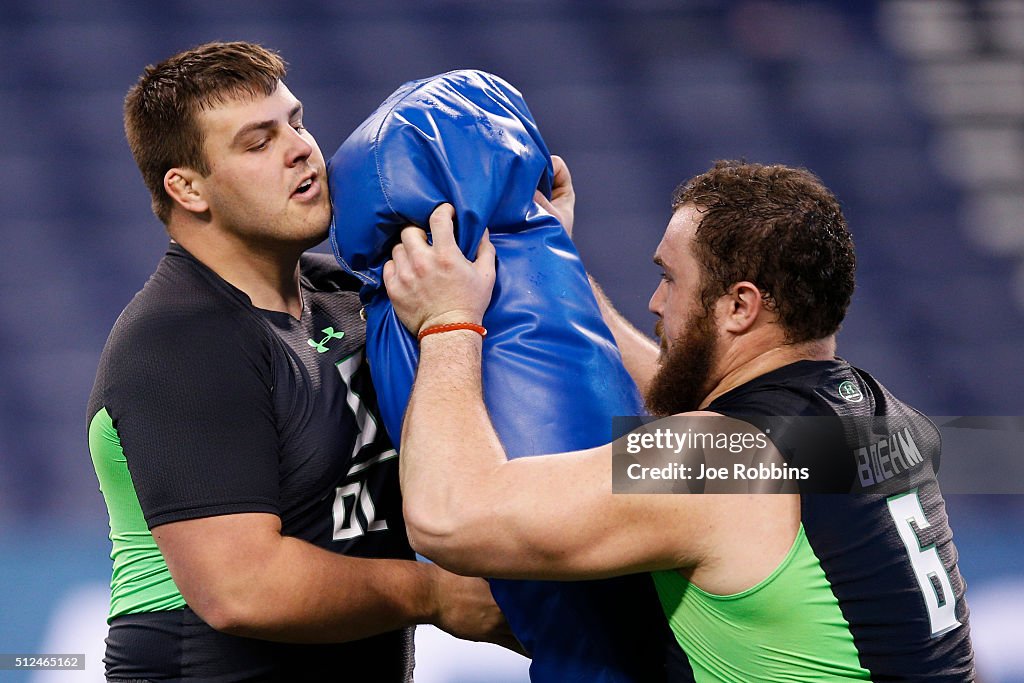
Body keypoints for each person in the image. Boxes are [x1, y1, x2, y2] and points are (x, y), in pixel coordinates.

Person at [383, 160, 977, 681]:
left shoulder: (723, 460)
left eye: (671, 278)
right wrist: (555, 269)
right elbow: (693, 399)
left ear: (740, 306)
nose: (655, 302)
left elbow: (448, 519)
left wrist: (448, 322)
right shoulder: (885, 420)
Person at [87, 41, 514, 682]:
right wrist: (436, 595)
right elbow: (242, 588)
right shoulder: (181, 340)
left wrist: (532, 237)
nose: (300, 148)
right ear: (188, 188)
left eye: (296, 122)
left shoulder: (343, 296)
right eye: (258, 142)